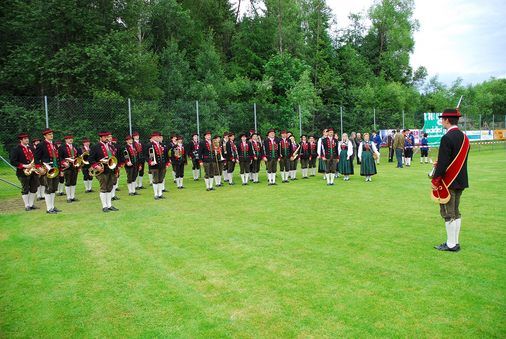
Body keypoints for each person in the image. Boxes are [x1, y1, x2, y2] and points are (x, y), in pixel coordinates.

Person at [431, 108, 469, 252]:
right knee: (456, 212)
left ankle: (451, 244)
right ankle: (455, 242)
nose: (441, 121)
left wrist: (435, 181)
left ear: (447, 120)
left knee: (448, 213)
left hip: (449, 181)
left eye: (442, 119)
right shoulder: (464, 137)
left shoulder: (447, 138)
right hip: (461, 180)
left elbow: (443, 163)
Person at [35, 128, 62, 214]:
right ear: (45, 136)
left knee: (53, 188)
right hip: (47, 169)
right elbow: (36, 158)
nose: (51, 135)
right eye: (49, 134)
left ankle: (52, 206)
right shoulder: (41, 145)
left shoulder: (54, 144)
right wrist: (39, 168)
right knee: (48, 188)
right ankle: (48, 208)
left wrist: (60, 169)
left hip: (55, 168)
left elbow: (57, 157)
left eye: (52, 134)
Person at [10, 133, 39, 211]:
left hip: (33, 171)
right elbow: (13, 161)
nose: (27, 140)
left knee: (34, 188)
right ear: (21, 140)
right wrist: (25, 166)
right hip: (22, 172)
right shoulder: (16, 149)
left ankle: (31, 204)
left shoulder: (32, 148)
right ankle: (27, 205)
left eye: (27, 138)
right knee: (25, 188)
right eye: (25, 138)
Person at [90, 131, 118, 212]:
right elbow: (90, 159)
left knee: (110, 187)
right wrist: (96, 166)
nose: (107, 138)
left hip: (111, 169)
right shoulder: (95, 146)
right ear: (101, 138)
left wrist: (115, 169)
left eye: (108, 137)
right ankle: (104, 206)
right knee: (103, 187)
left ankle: (109, 205)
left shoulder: (111, 146)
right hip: (102, 170)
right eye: (105, 137)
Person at [145, 131, 169, 200]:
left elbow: (165, 154)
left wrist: (167, 162)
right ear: (154, 137)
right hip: (154, 165)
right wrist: (150, 161)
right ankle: (156, 194)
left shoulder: (161, 145)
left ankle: (160, 193)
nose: (159, 138)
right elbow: (145, 155)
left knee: (161, 179)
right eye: (158, 137)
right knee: (155, 179)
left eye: (159, 137)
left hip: (162, 165)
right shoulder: (149, 145)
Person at [58, 135, 79, 203]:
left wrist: (78, 166)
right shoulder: (62, 147)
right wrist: (64, 162)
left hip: (74, 166)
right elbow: (59, 157)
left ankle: (72, 196)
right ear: (66, 140)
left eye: (71, 138)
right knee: (68, 181)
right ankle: (68, 197)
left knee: (74, 182)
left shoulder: (74, 146)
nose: (70, 140)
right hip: (67, 167)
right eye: (69, 139)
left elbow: (78, 156)